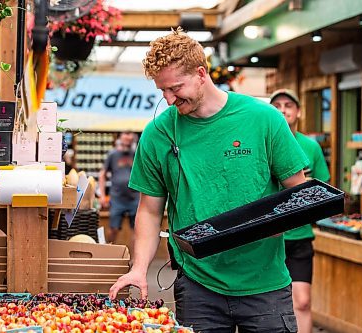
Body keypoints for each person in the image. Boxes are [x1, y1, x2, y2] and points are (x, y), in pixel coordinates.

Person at [109, 27, 309, 333]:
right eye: (161, 90)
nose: (168, 98)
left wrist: (273, 223)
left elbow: (300, 192)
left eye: (175, 88)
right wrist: (139, 269)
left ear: (202, 74)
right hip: (198, 286)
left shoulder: (263, 119)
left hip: (265, 282)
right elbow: (149, 210)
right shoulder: (157, 134)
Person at [270, 89, 330, 333]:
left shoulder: (311, 147)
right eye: (277, 105)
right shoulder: (264, 142)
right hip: (270, 238)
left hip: (300, 237)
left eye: (288, 105)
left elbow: (323, 186)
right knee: (267, 304)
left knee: (302, 301)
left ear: (299, 112)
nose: (283, 110)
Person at [98, 131, 139, 245]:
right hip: (117, 198)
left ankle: (135, 260)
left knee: (136, 231)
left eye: (130, 141)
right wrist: (102, 196)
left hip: (134, 198)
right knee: (113, 229)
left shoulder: (136, 154)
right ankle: (109, 257)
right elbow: (102, 174)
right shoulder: (113, 154)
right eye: (125, 140)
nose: (127, 143)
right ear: (120, 139)